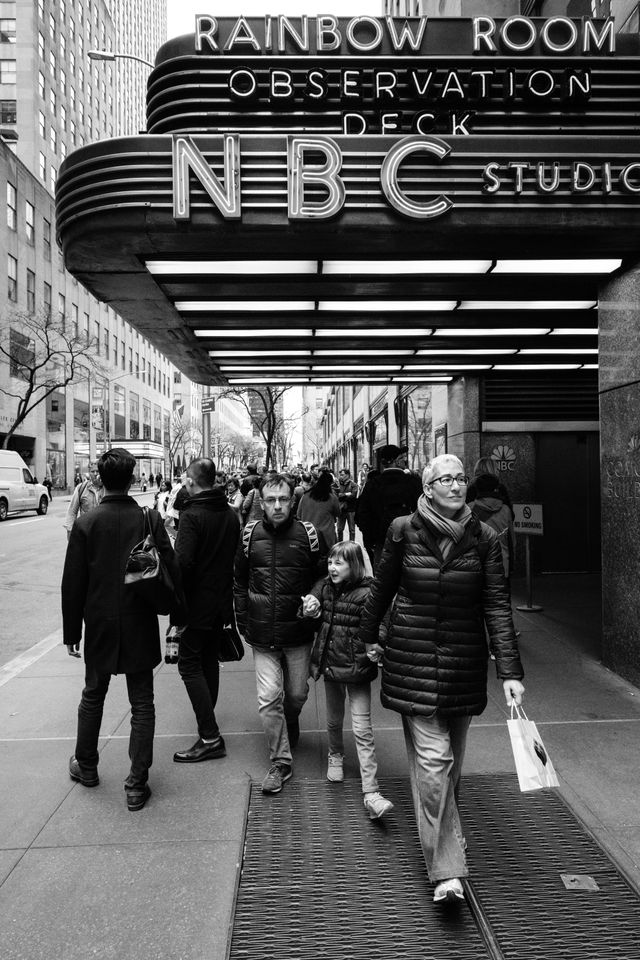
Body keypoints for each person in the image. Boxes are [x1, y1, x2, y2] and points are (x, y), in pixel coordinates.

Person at [359, 453, 525, 905]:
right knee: (434, 763)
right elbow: (383, 587)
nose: (454, 485)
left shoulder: (484, 537)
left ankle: (445, 832)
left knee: (449, 767)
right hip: (411, 658)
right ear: (427, 488)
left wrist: (508, 671)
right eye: (444, 479)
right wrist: (367, 635)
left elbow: (496, 604)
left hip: (463, 663)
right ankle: (447, 869)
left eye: (460, 478)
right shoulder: (402, 529)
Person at [61, 447, 182, 812]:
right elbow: (171, 568)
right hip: (139, 621)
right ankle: (136, 783)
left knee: (92, 694)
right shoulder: (148, 519)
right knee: (142, 702)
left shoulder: (86, 523)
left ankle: (87, 765)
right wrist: (178, 617)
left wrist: (72, 632)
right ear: (132, 479)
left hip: (98, 623)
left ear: (100, 479)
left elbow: (73, 583)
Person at [234, 474, 325, 795]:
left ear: (293, 500)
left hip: (299, 631)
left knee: (297, 694)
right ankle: (281, 761)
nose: (276, 506)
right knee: (268, 697)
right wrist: (243, 619)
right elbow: (239, 580)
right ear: (261, 500)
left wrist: (317, 596)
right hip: (262, 632)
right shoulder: (249, 535)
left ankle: (290, 718)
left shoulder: (309, 535)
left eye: (283, 499)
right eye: (270, 500)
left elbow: (323, 575)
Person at [303, 540, 394, 820]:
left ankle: (371, 790)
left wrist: (377, 642)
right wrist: (311, 611)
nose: (332, 567)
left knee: (362, 728)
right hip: (332, 665)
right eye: (330, 561)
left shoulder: (368, 593)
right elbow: (315, 616)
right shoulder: (326, 589)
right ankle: (335, 755)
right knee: (333, 720)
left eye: (339, 562)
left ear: (353, 565)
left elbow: (381, 623)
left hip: (357, 668)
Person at [172, 458, 240, 763]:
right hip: (221, 602)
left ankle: (210, 736)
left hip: (196, 604)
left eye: (187, 478)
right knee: (209, 660)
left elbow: (182, 564)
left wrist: (175, 606)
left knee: (188, 664)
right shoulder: (229, 514)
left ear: (192, 480)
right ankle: (206, 721)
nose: (185, 482)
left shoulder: (191, 515)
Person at [354, 444, 422, 571]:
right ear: (396, 461)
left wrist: (371, 541)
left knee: (382, 580)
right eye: (402, 457)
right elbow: (422, 510)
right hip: (410, 542)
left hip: (381, 542)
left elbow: (362, 515)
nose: (405, 460)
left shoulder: (372, 485)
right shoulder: (412, 482)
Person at [296, 468, 340, 550]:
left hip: (309, 536)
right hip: (327, 537)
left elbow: (299, 515)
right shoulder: (332, 497)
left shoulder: (305, 496)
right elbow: (338, 512)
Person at [63, 462, 104, 539]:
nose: (95, 474)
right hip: (86, 532)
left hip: (103, 533)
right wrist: (70, 530)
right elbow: (72, 511)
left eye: (98, 471)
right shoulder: (81, 488)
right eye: (92, 471)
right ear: (89, 473)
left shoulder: (108, 488)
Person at [336, 467, 359, 542]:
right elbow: (336, 495)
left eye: (342, 475)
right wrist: (346, 494)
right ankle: (340, 543)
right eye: (340, 475)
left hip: (351, 510)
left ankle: (352, 544)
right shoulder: (338, 485)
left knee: (352, 530)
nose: (340, 476)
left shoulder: (353, 485)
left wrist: (342, 495)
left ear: (348, 475)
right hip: (341, 509)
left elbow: (353, 496)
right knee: (339, 529)